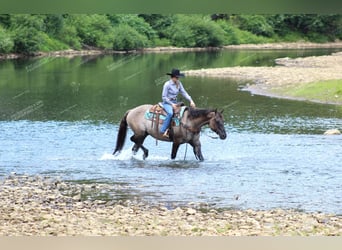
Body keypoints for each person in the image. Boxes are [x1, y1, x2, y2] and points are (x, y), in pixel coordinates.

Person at [160, 68, 196, 137]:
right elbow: (164, 97)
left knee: (184, 112)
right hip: (167, 103)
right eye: (177, 77)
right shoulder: (167, 84)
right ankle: (163, 130)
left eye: (178, 77)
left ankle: (180, 130)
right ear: (172, 77)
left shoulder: (179, 84)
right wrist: (172, 104)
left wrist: (191, 100)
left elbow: (184, 92)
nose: (178, 79)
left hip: (175, 102)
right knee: (170, 113)